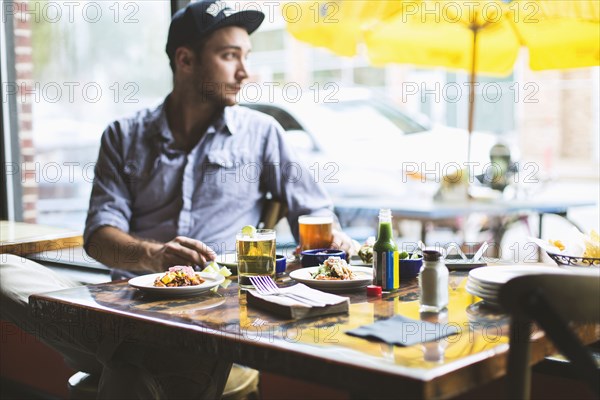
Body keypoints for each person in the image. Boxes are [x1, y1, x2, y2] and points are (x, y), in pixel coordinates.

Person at [1, 1, 356, 398]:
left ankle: (131, 353)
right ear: (185, 60)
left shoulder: (263, 134)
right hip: (130, 308)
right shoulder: (123, 136)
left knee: (131, 374)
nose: (245, 72)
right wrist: (155, 256)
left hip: (216, 319)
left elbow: (315, 214)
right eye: (229, 56)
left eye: (246, 57)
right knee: (3, 269)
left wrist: (332, 239)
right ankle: (136, 349)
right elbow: (99, 237)